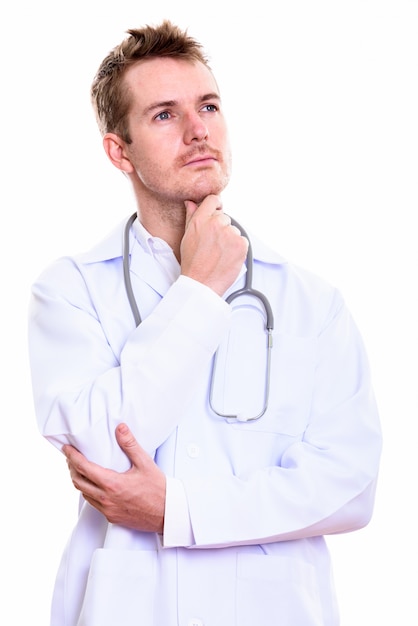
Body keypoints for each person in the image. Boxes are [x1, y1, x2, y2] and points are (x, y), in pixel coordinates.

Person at [28, 19, 382, 626]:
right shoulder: (71, 290)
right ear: (121, 151)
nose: (199, 131)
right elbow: (96, 454)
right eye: (164, 114)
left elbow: (348, 487)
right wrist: (199, 289)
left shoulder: (312, 303)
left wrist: (180, 510)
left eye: (209, 106)